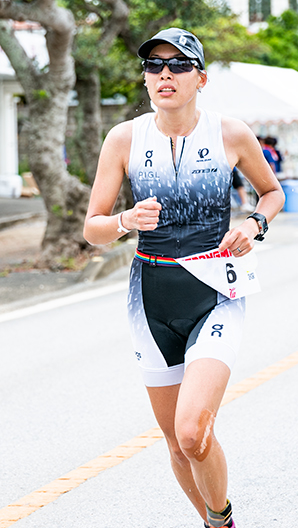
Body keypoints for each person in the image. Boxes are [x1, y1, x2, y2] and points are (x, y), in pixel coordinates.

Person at [83, 27, 285, 528]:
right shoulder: (124, 139)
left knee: (194, 430)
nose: (165, 74)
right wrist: (126, 221)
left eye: (177, 65)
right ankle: (219, 524)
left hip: (215, 289)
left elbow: (272, 193)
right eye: (154, 66)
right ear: (146, 80)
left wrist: (253, 223)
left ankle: (219, 518)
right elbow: (93, 228)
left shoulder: (231, 133)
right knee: (175, 441)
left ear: (201, 77)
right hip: (149, 298)